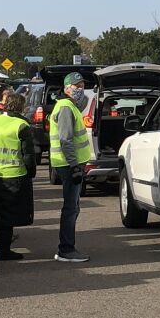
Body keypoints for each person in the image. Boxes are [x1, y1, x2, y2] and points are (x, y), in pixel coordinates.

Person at [0, 86, 37, 260]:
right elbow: (28, 154)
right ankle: (4, 251)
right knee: (9, 216)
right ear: (21, 107)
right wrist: (31, 173)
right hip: (15, 175)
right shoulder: (21, 125)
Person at [49, 72, 92, 263]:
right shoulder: (66, 108)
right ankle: (66, 249)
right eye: (76, 86)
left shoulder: (70, 106)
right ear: (67, 88)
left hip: (70, 163)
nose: (80, 88)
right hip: (68, 164)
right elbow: (65, 139)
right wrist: (75, 166)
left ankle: (67, 247)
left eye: (82, 85)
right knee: (70, 208)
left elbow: (82, 103)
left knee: (73, 207)